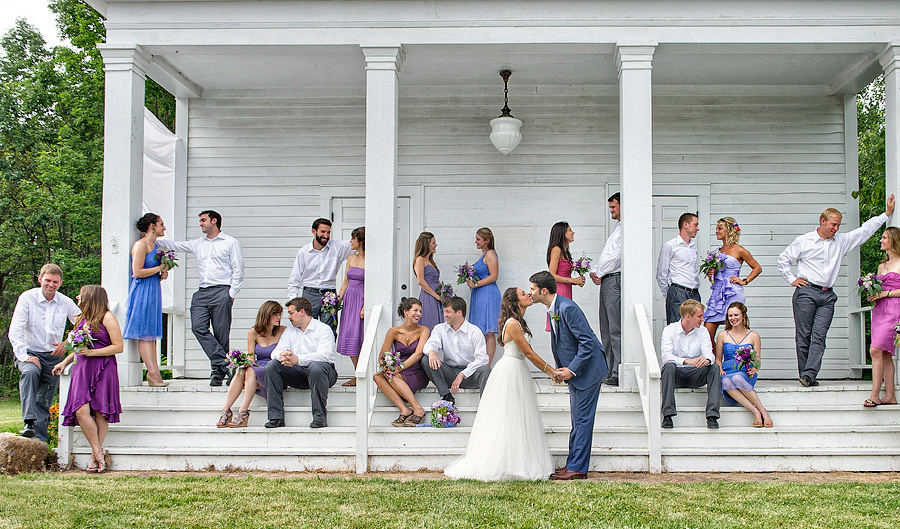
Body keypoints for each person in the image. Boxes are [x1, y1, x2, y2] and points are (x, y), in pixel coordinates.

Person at [444, 287, 562, 481]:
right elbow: (529, 353)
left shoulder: (520, 322)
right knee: (508, 416)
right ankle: (503, 463)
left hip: (519, 369)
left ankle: (519, 461)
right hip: (509, 371)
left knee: (519, 417)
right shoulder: (513, 323)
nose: (529, 295)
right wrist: (550, 371)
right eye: (524, 293)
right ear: (515, 301)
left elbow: (529, 352)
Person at [777, 195, 895, 387]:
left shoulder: (841, 241)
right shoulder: (804, 240)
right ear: (822, 221)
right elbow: (783, 259)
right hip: (807, 292)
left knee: (820, 336)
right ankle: (806, 375)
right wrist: (792, 279)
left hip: (827, 295)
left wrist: (886, 214)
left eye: (838, 225)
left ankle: (809, 374)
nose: (836, 228)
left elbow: (864, 231)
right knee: (804, 334)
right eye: (833, 224)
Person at [529, 270, 607, 480]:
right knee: (577, 420)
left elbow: (587, 342)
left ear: (543, 290)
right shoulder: (553, 308)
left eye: (532, 289)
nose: (530, 293)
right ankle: (573, 463)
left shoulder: (568, 308)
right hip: (576, 372)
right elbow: (564, 343)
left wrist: (571, 370)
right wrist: (559, 368)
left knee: (582, 421)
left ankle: (578, 468)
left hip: (588, 371)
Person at [157, 210, 244, 386]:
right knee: (198, 327)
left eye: (203, 220)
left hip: (222, 291)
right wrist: (150, 238)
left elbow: (238, 269)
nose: (200, 223)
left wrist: (231, 294)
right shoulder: (198, 244)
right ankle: (227, 365)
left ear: (214, 221)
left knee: (221, 334)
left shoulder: (230, 242)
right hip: (202, 292)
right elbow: (174, 245)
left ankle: (217, 374)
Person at [52, 285, 123, 473]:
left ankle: (95, 457)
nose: (78, 297)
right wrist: (65, 361)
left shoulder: (107, 317)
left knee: (100, 411)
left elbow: (118, 347)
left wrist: (92, 352)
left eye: (81, 295)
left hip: (104, 368)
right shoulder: (80, 319)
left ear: (90, 297)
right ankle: (98, 452)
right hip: (82, 369)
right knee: (81, 411)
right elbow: (77, 347)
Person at [8, 264, 81, 441]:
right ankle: (29, 422)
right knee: (30, 373)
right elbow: (15, 330)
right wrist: (25, 356)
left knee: (45, 396)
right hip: (29, 352)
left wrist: (68, 342)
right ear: (40, 279)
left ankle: (39, 440)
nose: (51, 285)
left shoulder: (65, 302)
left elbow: (83, 324)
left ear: (60, 282)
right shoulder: (27, 298)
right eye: (47, 280)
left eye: (55, 282)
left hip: (53, 356)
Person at [264, 297, 337, 428]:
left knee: (316, 367)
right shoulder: (289, 331)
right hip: (299, 373)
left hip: (324, 374)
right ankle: (276, 417)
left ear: (302, 311)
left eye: (291, 313)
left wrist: (298, 359)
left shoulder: (323, 329)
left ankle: (319, 417)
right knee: (272, 366)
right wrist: (282, 356)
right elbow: (274, 353)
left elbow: (324, 356)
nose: (289, 317)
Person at [216, 301, 286, 428]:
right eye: (275, 314)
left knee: (251, 371)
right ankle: (226, 410)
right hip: (257, 366)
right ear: (266, 315)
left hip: (273, 368)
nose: (279, 318)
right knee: (241, 370)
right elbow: (251, 357)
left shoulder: (283, 331)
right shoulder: (253, 332)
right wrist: (242, 363)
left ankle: (242, 411)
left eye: (280, 314)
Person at [122, 213, 172, 387]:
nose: (164, 227)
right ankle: (152, 374)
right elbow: (137, 272)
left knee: (151, 333)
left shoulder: (155, 245)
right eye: (161, 224)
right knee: (144, 333)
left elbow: (151, 271)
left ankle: (155, 373)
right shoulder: (141, 245)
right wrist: (159, 266)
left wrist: (162, 273)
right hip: (142, 291)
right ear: (152, 226)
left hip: (153, 289)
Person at [660, 299, 721, 429]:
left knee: (714, 367)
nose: (703, 319)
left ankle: (712, 416)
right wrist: (687, 361)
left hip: (696, 373)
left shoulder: (703, 331)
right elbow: (666, 356)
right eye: (699, 316)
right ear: (688, 317)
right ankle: (668, 415)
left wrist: (707, 360)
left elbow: (709, 353)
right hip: (677, 373)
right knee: (668, 366)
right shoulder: (669, 330)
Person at [286, 218, 353, 335]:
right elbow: (294, 280)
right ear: (313, 231)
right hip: (309, 294)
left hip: (329, 294)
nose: (326, 236)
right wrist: (293, 302)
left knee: (329, 330)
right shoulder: (303, 252)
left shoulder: (337, 247)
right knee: (306, 329)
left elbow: (357, 242)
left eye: (328, 232)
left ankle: (327, 353)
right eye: (322, 232)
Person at [702, 217, 762, 345]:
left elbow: (757, 268)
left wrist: (744, 281)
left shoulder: (739, 250)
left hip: (732, 293)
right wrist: (710, 274)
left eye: (719, 228)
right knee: (707, 333)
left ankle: (735, 360)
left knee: (734, 331)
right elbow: (712, 279)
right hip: (717, 295)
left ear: (728, 230)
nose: (716, 231)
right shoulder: (716, 253)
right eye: (716, 229)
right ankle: (714, 363)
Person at [421, 296, 491, 404]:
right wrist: (431, 352)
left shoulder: (474, 331)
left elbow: (482, 359)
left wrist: (462, 374)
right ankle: (446, 395)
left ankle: (486, 405)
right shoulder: (440, 328)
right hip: (449, 373)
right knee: (426, 359)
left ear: (459, 312)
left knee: (485, 370)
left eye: (448, 312)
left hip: (470, 375)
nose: (445, 315)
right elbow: (429, 344)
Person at [373, 298, 431, 426]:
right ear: (406, 311)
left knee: (393, 376)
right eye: (415, 310)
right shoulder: (393, 331)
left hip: (416, 370)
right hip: (397, 370)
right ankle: (405, 409)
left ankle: (418, 409)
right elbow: (382, 356)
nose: (419, 314)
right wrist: (386, 367)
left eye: (420, 311)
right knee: (378, 377)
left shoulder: (423, 330)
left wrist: (400, 367)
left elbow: (418, 354)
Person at [715, 302, 772, 427]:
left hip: (744, 372)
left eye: (736, 315)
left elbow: (757, 360)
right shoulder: (722, 335)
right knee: (725, 382)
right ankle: (756, 411)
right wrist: (719, 369)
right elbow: (718, 359)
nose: (733, 318)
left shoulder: (754, 336)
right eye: (730, 316)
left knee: (737, 378)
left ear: (743, 316)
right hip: (727, 371)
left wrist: (754, 369)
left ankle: (763, 410)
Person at [863, 226, 900, 407]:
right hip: (879, 310)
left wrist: (886, 294)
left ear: (893, 240)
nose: (881, 240)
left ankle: (875, 394)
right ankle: (891, 395)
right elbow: (879, 288)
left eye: (884, 238)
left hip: (894, 310)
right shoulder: (881, 265)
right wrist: (872, 294)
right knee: (884, 354)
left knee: (875, 350)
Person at [590, 192, 622, 386]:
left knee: (615, 328)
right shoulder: (616, 231)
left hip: (614, 280)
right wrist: (595, 270)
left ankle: (618, 370)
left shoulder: (626, 230)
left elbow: (617, 257)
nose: (611, 210)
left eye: (614, 207)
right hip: (606, 280)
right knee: (606, 328)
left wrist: (600, 271)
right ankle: (610, 369)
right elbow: (605, 256)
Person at [657, 212, 701, 324]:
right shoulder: (670, 245)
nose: (698, 228)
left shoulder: (693, 247)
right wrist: (669, 294)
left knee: (695, 328)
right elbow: (661, 273)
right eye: (695, 225)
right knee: (676, 327)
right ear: (686, 225)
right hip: (678, 292)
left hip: (694, 293)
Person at [467, 227, 501, 363]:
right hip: (479, 294)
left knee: (488, 331)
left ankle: (486, 366)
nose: (475, 242)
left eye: (478, 239)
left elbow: (494, 276)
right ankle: (479, 363)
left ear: (487, 241)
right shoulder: (483, 255)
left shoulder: (490, 254)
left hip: (487, 294)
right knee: (480, 331)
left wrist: (476, 284)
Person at [337, 227, 365, 386]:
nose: (350, 241)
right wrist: (337, 301)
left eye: (353, 238)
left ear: (360, 241)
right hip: (349, 300)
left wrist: (364, 306)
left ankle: (362, 374)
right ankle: (357, 373)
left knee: (359, 337)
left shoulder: (370, 259)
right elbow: (345, 282)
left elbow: (372, 284)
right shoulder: (351, 258)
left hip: (361, 299)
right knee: (348, 336)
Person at [546, 221, 586, 333]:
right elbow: (552, 275)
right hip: (559, 290)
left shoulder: (566, 252)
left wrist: (576, 281)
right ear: (562, 233)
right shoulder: (556, 249)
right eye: (569, 230)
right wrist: (572, 280)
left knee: (566, 324)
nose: (573, 232)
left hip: (567, 289)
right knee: (559, 324)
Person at [413, 232, 443, 331]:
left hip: (436, 296)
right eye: (433, 243)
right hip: (429, 296)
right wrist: (436, 295)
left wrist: (444, 292)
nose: (436, 245)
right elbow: (421, 281)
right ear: (426, 244)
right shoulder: (420, 260)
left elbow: (436, 280)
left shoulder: (430, 261)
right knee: (430, 323)